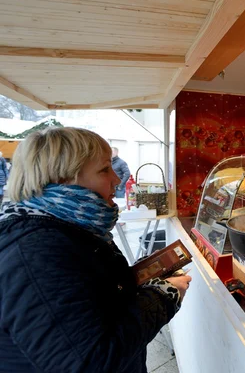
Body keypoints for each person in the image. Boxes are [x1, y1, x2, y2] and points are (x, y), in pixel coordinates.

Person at [0, 127, 191, 372]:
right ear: (62, 178)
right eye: (104, 169)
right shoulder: (36, 250)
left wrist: (139, 279)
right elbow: (92, 361)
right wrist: (163, 297)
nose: (117, 179)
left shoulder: (66, 226)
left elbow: (90, 295)